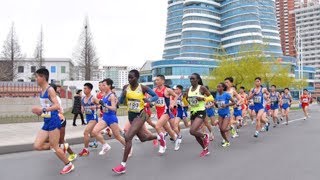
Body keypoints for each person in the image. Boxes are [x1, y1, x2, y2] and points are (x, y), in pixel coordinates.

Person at [112, 70, 159, 174]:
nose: (129, 79)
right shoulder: (125, 87)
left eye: (131, 77)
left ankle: (122, 165)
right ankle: (159, 137)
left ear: (137, 78)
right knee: (143, 138)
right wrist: (120, 98)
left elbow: (156, 96)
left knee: (128, 137)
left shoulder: (142, 88)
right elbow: (121, 102)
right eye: (128, 77)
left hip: (141, 115)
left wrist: (149, 101)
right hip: (131, 116)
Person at [32, 68, 74, 175]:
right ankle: (57, 146)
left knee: (55, 147)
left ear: (43, 77)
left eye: (37, 77)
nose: (36, 79)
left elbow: (57, 106)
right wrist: (39, 113)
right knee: (37, 146)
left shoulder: (50, 89)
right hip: (47, 121)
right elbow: (46, 109)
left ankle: (68, 164)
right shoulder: (41, 91)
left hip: (54, 121)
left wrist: (43, 110)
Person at [91, 78, 125, 155]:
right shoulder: (104, 95)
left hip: (111, 118)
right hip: (105, 117)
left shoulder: (111, 95)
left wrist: (104, 105)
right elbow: (102, 105)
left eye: (104, 85)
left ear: (109, 86)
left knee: (117, 136)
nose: (102, 86)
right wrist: (97, 105)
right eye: (101, 85)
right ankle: (105, 145)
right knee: (94, 131)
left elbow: (114, 108)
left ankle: (128, 147)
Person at [187, 73, 213, 157]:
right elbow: (187, 100)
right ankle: (205, 149)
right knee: (195, 133)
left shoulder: (201, 88)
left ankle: (205, 135)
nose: (191, 80)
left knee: (192, 131)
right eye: (190, 79)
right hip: (193, 112)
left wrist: (202, 98)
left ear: (198, 80)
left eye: (193, 78)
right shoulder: (189, 89)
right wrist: (187, 100)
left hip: (201, 111)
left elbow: (211, 98)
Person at [153, 75, 180, 154]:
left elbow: (176, 96)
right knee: (168, 129)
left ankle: (162, 145)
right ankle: (176, 139)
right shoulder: (154, 90)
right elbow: (149, 96)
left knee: (157, 126)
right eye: (155, 80)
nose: (156, 81)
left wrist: (172, 103)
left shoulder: (167, 90)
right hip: (158, 113)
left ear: (163, 81)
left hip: (166, 112)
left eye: (158, 80)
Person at [54, 84, 77, 162]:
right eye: (58, 88)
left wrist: (42, 112)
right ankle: (63, 151)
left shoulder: (56, 98)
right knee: (59, 140)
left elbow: (57, 110)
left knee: (61, 141)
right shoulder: (51, 97)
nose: (59, 90)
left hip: (60, 120)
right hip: (53, 121)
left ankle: (71, 154)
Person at [78, 83, 101, 157]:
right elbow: (82, 106)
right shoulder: (82, 98)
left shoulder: (93, 98)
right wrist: (82, 109)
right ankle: (104, 131)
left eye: (85, 88)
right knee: (92, 134)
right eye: (83, 88)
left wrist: (97, 108)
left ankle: (86, 150)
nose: (84, 90)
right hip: (88, 118)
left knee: (85, 133)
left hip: (93, 118)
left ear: (90, 89)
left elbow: (100, 104)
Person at [214, 83, 235, 147]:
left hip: (226, 114)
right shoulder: (217, 95)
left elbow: (234, 102)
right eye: (217, 87)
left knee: (223, 129)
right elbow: (217, 106)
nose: (218, 88)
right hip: (220, 114)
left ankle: (230, 128)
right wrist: (215, 103)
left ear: (223, 88)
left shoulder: (226, 94)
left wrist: (226, 105)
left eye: (219, 87)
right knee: (220, 129)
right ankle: (227, 141)